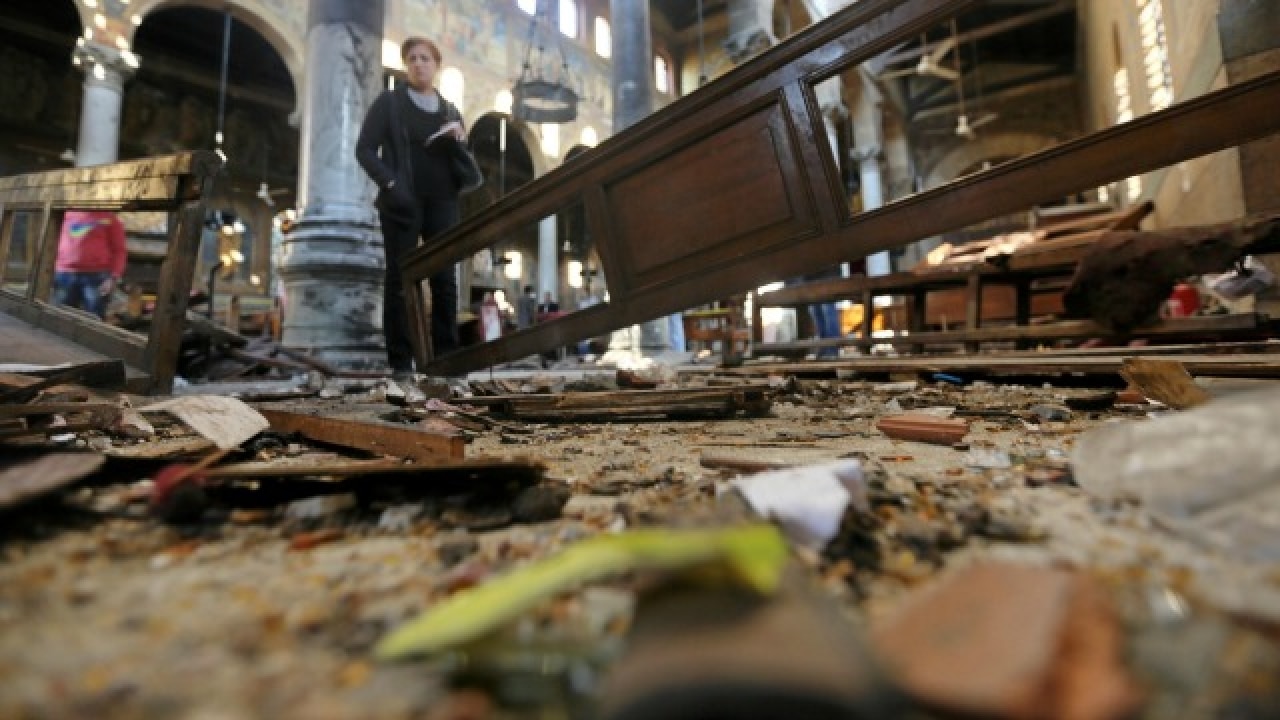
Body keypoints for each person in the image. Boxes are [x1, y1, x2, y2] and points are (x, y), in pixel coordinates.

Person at [356, 36, 469, 378]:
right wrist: (390, 184)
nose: (419, 63)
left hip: (442, 201)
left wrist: (460, 137)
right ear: (407, 65)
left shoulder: (449, 110)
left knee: (445, 280)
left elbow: (462, 157)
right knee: (401, 281)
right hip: (402, 203)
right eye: (413, 58)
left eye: (425, 58)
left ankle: (445, 358)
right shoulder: (390, 103)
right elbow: (364, 149)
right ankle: (401, 362)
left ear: (436, 66)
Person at [54, 210, 127, 319]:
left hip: (97, 277)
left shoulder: (109, 218)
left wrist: (113, 277)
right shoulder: (65, 214)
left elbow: (119, 250)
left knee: (94, 319)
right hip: (64, 275)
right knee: (59, 317)